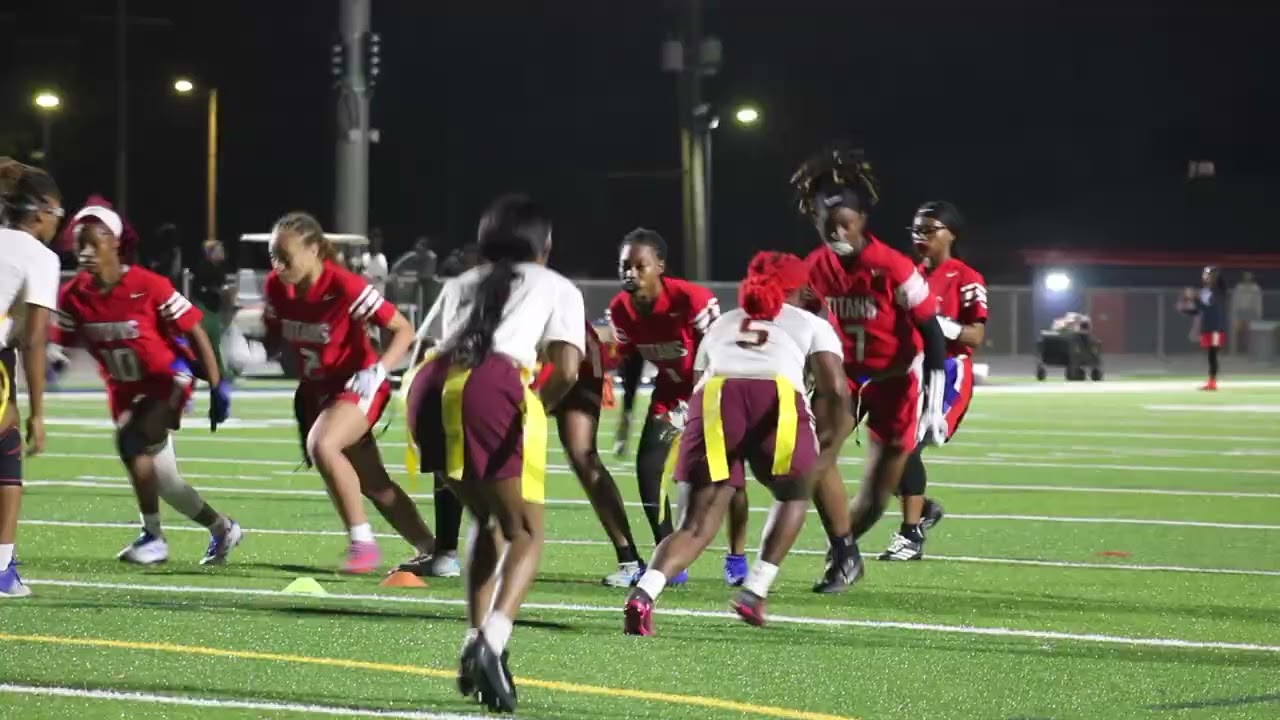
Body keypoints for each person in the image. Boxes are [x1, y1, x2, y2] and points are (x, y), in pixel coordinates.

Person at [406, 194, 584, 712]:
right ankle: (494, 641)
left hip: (429, 385)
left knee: (485, 520)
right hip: (493, 385)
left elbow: (423, 349)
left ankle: (472, 640)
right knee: (525, 530)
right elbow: (568, 369)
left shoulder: (461, 281)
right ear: (544, 245)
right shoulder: (556, 286)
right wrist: (533, 411)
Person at [624, 252, 853, 634]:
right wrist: (827, 441)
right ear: (798, 288)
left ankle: (644, 595)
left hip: (713, 397)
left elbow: (698, 379)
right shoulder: (810, 322)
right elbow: (834, 389)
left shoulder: (723, 322)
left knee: (694, 525)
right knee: (793, 493)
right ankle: (754, 592)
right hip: (775, 395)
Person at [792, 143, 950, 593]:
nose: (836, 232)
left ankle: (846, 547)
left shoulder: (892, 267)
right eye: (827, 225)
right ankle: (844, 553)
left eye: (844, 223)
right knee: (816, 457)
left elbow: (933, 335)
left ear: (862, 221)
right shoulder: (816, 266)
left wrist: (934, 407)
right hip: (845, 375)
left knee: (879, 496)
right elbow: (799, 319)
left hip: (896, 380)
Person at [54, 201, 242, 565]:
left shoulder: (148, 285)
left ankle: (153, 537)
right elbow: (59, 345)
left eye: (93, 243)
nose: (85, 253)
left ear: (115, 242)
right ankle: (222, 528)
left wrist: (217, 384)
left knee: (131, 439)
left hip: (168, 378)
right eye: (80, 245)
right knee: (166, 482)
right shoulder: (74, 295)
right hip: (124, 391)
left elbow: (196, 330)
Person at [264, 211, 434, 574]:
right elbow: (286, 337)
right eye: (272, 255)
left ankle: (362, 544)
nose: (277, 264)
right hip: (318, 392)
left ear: (313, 250)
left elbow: (403, 330)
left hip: (358, 385)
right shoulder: (276, 288)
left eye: (285, 256)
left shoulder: (344, 286)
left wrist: (378, 369)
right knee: (374, 483)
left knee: (323, 445)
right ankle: (434, 549)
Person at [606, 228, 751, 587]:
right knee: (648, 468)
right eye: (625, 266)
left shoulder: (692, 299)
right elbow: (631, 360)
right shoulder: (620, 309)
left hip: (717, 390)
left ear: (660, 266)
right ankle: (669, 557)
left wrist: (699, 402)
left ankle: (737, 555)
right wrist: (626, 414)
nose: (631, 273)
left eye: (640, 266)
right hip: (670, 394)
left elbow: (721, 350)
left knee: (728, 478)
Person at [877, 201, 987, 561]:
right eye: (916, 230)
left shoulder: (966, 277)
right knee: (886, 455)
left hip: (949, 371)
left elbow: (974, 336)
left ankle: (910, 535)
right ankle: (922, 509)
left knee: (906, 449)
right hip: (908, 370)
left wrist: (937, 323)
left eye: (929, 229)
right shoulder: (906, 274)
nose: (920, 237)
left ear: (950, 233)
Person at [530, 320, 646, 587]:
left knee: (582, 456)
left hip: (567, 352)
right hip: (564, 349)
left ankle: (629, 558)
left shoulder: (542, 289)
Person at [0, 159, 62, 598]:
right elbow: (35, 340)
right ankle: (1, 568)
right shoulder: (40, 256)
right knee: (7, 460)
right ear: (41, 212)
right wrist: (39, 411)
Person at [1178, 266, 1227, 391]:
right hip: (1207, 327)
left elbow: (1211, 301)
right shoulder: (1203, 291)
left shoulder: (1218, 290)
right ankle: (1211, 381)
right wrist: (1184, 309)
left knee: (1213, 354)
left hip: (1216, 327)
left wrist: (1194, 296)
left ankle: (1212, 382)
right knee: (1210, 355)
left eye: (1208, 274)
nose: (1205, 276)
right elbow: (1199, 310)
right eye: (1205, 274)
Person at [1230, 272, 1263, 355]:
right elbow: (1235, 301)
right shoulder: (1239, 288)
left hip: (1251, 312)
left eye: (1249, 277)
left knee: (1251, 333)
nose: (1247, 279)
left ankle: (1252, 351)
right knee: (1235, 331)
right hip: (1240, 312)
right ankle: (1234, 352)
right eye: (1246, 277)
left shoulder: (1256, 288)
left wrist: (1258, 313)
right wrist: (1234, 313)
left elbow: (1258, 302)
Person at [362, 228, 390, 296]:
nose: (375, 242)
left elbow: (378, 278)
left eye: (377, 238)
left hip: (377, 299)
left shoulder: (382, 259)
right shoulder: (363, 257)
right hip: (364, 298)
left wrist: (364, 276)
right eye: (372, 238)